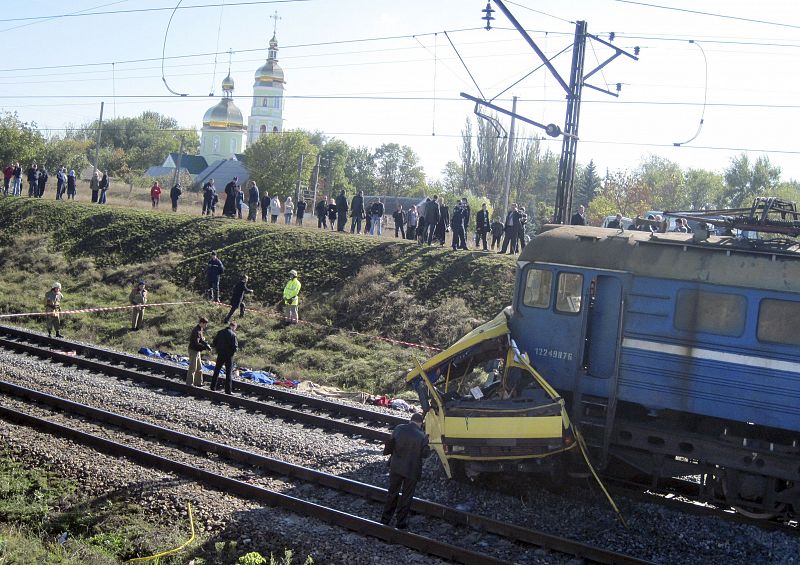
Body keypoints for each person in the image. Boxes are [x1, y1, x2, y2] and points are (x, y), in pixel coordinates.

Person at [380, 412, 431, 529]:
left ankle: (385, 519)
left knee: (392, 493)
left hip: (396, 467)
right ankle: (401, 522)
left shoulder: (398, 429)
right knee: (406, 497)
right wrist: (428, 444)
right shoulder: (422, 436)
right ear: (421, 423)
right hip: (412, 470)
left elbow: (390, 444)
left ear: (410, 420)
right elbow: (425, 454)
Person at [210, 321, 238, 395]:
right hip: (229, 356)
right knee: (228, 373)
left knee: (217, 370)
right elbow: (235, 348)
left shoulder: (220, 332)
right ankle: (228, 390)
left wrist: (218, 349)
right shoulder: (233, 335)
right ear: (234, 327)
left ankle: (213, 387)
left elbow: (214, 342)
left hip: (220, 354)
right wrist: (232, 352)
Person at [187, 317, 212, 386]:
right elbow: (196, 343)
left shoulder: (200, 329)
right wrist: (204, 347)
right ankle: (189, 383)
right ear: (201, 323)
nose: (206, 326)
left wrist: (206, 345)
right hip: (193, 350)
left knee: (199, 368)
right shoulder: (196, 331)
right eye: (205, 324)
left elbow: (201, 340)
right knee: (192, 367)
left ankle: (198, 383)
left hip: (197, 351)